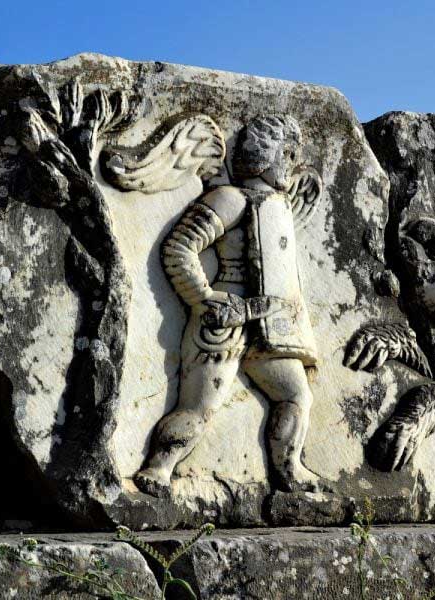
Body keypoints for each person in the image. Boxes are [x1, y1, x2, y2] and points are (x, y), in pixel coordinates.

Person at [135, 115, 326, 495]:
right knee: (198, 407)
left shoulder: (278, 205)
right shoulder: (229, 198)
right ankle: (159, 468)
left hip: (273, 324)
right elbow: (179, 248)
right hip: (225, 320)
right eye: (287, 153)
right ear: (269, 155)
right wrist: (202, 297)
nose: (291, 163)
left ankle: (289, 471)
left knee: (295, 395)